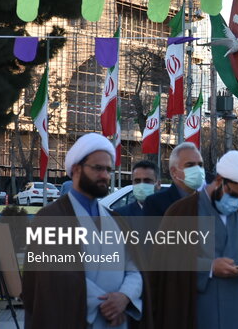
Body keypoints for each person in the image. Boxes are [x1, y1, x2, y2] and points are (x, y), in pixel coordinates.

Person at [22, 133, 151, 329]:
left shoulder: (116, 220)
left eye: (108, 169)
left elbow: (133, 268)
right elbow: (54, 276)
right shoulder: (50, 218)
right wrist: (106, 305)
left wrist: (124, 297)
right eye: (98, 168)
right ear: (76, 169)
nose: (105, 176)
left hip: (119, 320)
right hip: (74, 319)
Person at [151, 150, 238, 328]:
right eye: (234, 194)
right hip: (198, 313)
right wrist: (209, 267)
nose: (237, 201)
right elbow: (165, 261)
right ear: (219, 181)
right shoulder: (183, 212)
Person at [142, 142, 204, 216]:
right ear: (173, 171)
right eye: (190, 165)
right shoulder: (155, 203)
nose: (197, 169)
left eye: (200, 165)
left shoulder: (209, 203)